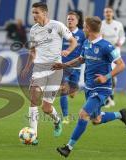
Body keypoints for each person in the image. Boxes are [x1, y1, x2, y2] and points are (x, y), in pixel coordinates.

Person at [52, 16, 126, 157]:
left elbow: (121, 65)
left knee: (83, 114)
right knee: (96, 120)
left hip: (102, 89)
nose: (83, 28)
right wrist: (64, 65)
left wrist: (105, 77)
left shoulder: (106, 46)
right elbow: (81, 59)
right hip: (89, 88)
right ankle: (120, 114)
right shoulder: (87, 43)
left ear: (88, 28)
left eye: (84, 26)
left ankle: (68, 148)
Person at [21, 2, 77, 145]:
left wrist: (68, 51)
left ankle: (57, 120)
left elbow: (73, 41)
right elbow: (32, 51)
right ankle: (34, 136)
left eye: (36, 12)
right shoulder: (33, 30)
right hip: (39, 68)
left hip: (55, 70)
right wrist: (27, 66)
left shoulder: (57, 26)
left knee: (46, 108)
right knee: (34, 98)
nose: (34, 15)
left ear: (44, 13)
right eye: (32, 12)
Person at [60, 11, 86, 124]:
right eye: (68, 19)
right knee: (63, 90)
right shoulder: (61, 33)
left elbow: (86, 48)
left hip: (76, 68)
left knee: (72, 94)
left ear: (77, 21)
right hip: (63, 66)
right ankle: (65, 117)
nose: (70, 21)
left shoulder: (82, 34)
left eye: (72, 19)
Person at [100, 6, 126, 108]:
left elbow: (123, 36)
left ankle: (110, 97)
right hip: (104, 52)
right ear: (104, 14)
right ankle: (108, 98)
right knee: (106, 74)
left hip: (115, 52)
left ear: (113, 13)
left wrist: (121, 42)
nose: (108, 13)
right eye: (106, 12)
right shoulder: (101, 24)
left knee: (113, 76)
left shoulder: (118, 24)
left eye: (110, 12)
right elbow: (99, 37)